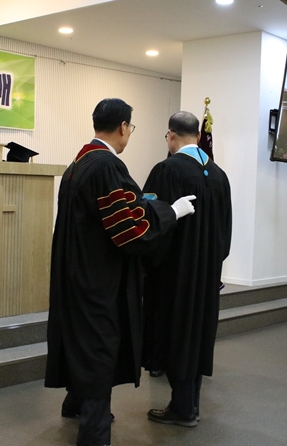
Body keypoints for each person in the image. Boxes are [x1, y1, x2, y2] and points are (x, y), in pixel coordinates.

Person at [45, 98, 197, 446]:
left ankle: (74, 403)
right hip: (99, 279)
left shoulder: (78, 163)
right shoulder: (106, 166)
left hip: (75, 273)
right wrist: (171, 212)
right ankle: (94, 434)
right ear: (123, 127)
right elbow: (130, 229)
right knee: (99, 350)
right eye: (131, 126)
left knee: (81, 342)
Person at [142, 111, 232, 427]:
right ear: (198, 136)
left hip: (173, 275)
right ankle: (190, 404)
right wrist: (211, 264)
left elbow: (150, 221)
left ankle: (182, 408)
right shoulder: (219, 175)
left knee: (174, 333)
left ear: (171, 135)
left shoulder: (167, 169)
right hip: (207, 276)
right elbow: (225, 232)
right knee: (197, 335)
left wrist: (147, 265)